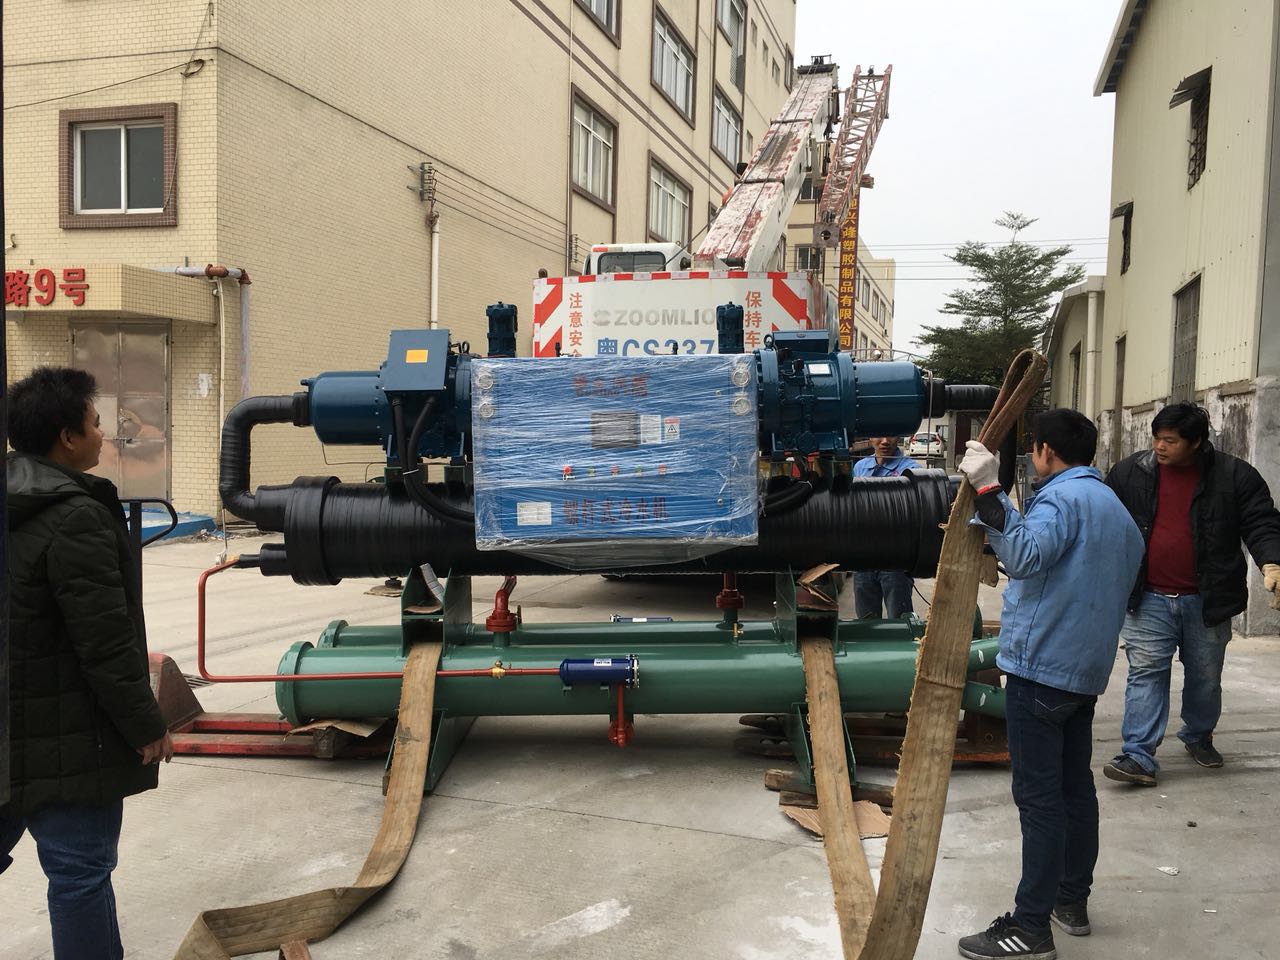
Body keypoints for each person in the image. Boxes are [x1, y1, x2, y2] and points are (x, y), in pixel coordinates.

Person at [955, 410, 1144, 960]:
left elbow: (1025, 556)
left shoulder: (1061, 499)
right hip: (1083, 673)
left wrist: (989, 490)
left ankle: (1030, 927)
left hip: (1041, 668)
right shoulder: (1113, 506)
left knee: (1039, 800)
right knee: (1073, 790)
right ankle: (1070, 901)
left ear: (1044, 451)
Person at [1, 367, 174, 960]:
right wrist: (146, 725)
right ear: (67, 438)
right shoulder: (76, 517)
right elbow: (104, 642)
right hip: (71, 740)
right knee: (79, 876)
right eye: (97, 423)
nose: (105, 434)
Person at [1101, 402, 1280, 787]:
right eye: (1156, 438)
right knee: (1146, 672)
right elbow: (1103, 517)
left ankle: (1198, 734)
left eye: (1170, 440)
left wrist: (1272, 562)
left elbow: (1262, 522)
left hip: (1208, 599)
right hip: (1147, 596)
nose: (1159, 447)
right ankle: (1138, 755)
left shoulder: (1234, 476)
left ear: (1196, 442)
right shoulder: (1131, 472)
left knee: (1205, 676)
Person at [851, 436, 921, 618]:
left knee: (899, 620)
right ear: (870, 437)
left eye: (890, 435)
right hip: (863, 558)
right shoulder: (860, 467)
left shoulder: (911, 470)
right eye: (879, 435)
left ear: (898, 437)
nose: (884, 441)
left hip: (896, 560)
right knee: (866, 620)